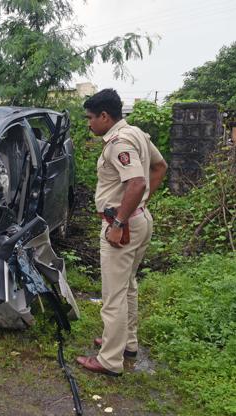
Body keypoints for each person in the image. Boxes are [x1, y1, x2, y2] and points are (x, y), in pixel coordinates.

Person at [76, 89, 168, 376]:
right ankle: (126, 343)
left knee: (113, 295)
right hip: (139, 220)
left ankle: (109, 360)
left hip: (123, 226)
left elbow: (137, 182)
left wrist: (119, 223)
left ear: (105, 116)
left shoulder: (119, 142)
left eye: (91, 118)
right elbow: (160, 166)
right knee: (128, 286)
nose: (89, 124)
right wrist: (140, 205)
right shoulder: (136, 133)